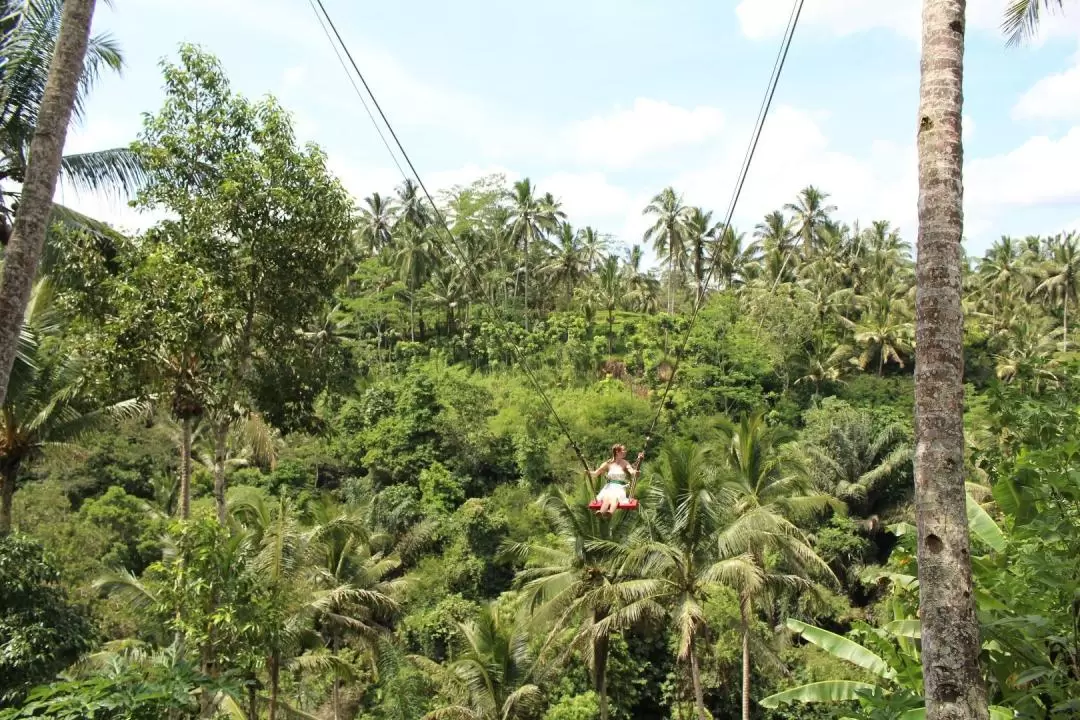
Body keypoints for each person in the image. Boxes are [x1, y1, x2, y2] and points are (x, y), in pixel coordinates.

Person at [589, 444, 644, 515]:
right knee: (606, 498)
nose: (625, 451)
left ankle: (610, 512)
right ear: (617, 452)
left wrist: (636, 472)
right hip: (609, 487)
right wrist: (588, 472)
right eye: (624, 450)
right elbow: (596, 473)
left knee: (615, 498)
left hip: (619, 487)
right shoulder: (607, 463)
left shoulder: (625, 463)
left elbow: (632, 472)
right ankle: (601, 512)